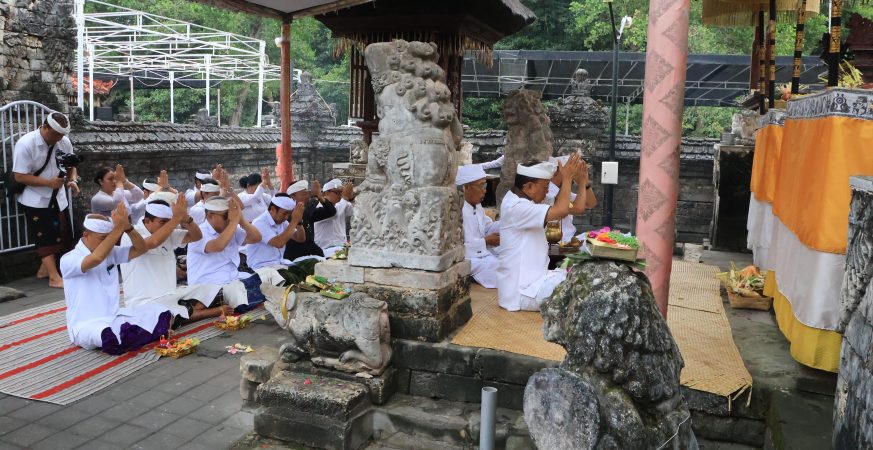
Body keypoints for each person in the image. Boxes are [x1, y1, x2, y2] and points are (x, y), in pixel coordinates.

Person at [60, 204, 174, 354]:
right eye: (103, 238)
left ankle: (139, 334)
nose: (108, 243)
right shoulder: (68, 259)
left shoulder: (111, 252)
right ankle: (148, 333)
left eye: (109, 238)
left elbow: (141, 249)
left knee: (162, 311)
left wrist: (128, 229)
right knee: (109, 336)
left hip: (115, 317)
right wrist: (118, 229)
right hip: (87, 326)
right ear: (86, 235)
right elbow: (96, 259)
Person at [496, 156, 588, 311]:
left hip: (538, 280)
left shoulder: (529, 199)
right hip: (521, 293)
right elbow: (562, 210)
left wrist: (583, 181)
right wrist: (567, 178)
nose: (547, 192)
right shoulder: (516, 206)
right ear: (529, 186)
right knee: (584, 286)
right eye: (545, 187)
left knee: (584, 275)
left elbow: (578, 208)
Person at [121, 196, 232, 322]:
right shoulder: (131, 235)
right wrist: (175, 219)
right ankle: (201, 312)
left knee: (213, 290)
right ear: (147, 221)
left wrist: (186, 218)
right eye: (163, 222)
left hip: (172, 294)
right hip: (144, 301)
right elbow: (152, 242)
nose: (168, 226)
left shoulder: (168, 232)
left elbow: (196, 236)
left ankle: (189, 311)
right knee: (160, 315)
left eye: (168, 222)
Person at [12, 111, 80, 288]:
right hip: (35, 199)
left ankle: (44, 270)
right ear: (45, 127)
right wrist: (48, 183)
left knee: (62, 234)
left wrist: (72, 180)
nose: (60, 138)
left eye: (62, 135)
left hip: (58, 198)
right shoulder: (26, 144)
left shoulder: (64, 142)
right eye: (56, 134)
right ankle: (53, 277)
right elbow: (19, 176)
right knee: (45, 236)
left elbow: (71, 165)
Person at [186, 196, 266, 311]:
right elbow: (218, 246)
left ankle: (248, 302)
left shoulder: (230, 228)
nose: (229, 219)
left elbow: (256, 238)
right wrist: (234, 221)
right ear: (210, 215)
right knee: (237, 292)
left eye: (230, 215)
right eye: (225, 216)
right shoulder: (199, 232)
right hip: (208, 285)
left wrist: (241, 220)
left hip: (232, 279)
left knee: (267, 276)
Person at [456, 164, 500, 288]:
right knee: (505, 271)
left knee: (512, 255)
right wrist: (485, 242)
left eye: (485, 186)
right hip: (470, 259)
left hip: (483, 254)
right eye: (481, 186)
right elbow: (458, 249)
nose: (485, 190)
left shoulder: (477, 206)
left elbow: (487, 227)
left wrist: (507, 224)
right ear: (466, 188)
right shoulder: (457, 212)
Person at [247, 194, 307, 284]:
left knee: (311, 265)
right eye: (285, 213)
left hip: (280, 264)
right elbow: (279, 243)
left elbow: (300, 239)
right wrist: (294, 220)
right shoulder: (260, 222)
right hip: (262, 268)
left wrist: (299, 222)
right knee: (291, 278)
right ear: (273, 209)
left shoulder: (282, 221)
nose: (286, 217)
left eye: (289, 214)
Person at [546, 155, 598, 241]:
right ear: (556, 172)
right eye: (570, 171)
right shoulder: (548, 191)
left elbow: (590, 203)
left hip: (570, 237)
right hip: (558, 240)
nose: (574, 175)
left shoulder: (561, 189)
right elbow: (578, 209)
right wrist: (581, 182)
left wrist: (586, 183)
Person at [283, 180, 336, 261]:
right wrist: (315, 197)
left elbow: (331, 212)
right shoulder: (287, 213)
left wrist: (320, 198)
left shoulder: (309, 212)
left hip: (311, 254)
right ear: (293, 196)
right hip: (294, 258)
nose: (307, 196)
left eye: (308, 194)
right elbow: (303, 215)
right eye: (303, 194)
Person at [314, 178, 355, 257]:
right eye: (337, 192)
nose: (340, 195)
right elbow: (334, 213)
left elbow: (353, 212)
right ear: (326, 193)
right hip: (326, 249)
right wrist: (345, 197)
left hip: (341, 246)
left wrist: (350, 197)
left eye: (341, 192)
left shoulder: (341, 204)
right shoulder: (320, 207)